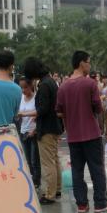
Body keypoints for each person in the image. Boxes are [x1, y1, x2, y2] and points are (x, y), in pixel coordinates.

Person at [56, 50, 107, 213]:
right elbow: (98, 108)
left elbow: (59, 111)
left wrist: (72, 114)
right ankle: (100, 204)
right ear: (81, 63)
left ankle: (81, 204)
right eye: (88, 62)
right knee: (97, 169)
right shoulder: (90, 84)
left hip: (73, 136)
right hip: (91, 134)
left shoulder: (63, 86)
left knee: (77, 170)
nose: (90, 65)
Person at [22, 57, 63, 205]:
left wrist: (25, 114)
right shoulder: (50, 81)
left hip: (46, 128)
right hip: (54, 126)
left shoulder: (44, 85)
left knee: (47, 162)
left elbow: (43, 109)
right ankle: (57, 189)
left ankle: (49, 194)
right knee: (54, 159)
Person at [16, 77, 41, 188]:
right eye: (21, 87)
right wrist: (18, 116)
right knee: (27, 159)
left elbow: (39, 113)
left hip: (33, 132)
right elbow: (19, 112)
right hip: (23, 131)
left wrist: (34, 130)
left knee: (34, 159)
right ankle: (30, 179)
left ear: (31, 86)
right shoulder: (21, 98)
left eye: (25, 87)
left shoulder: (36, 98)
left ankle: (36, 181)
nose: (23, 90)